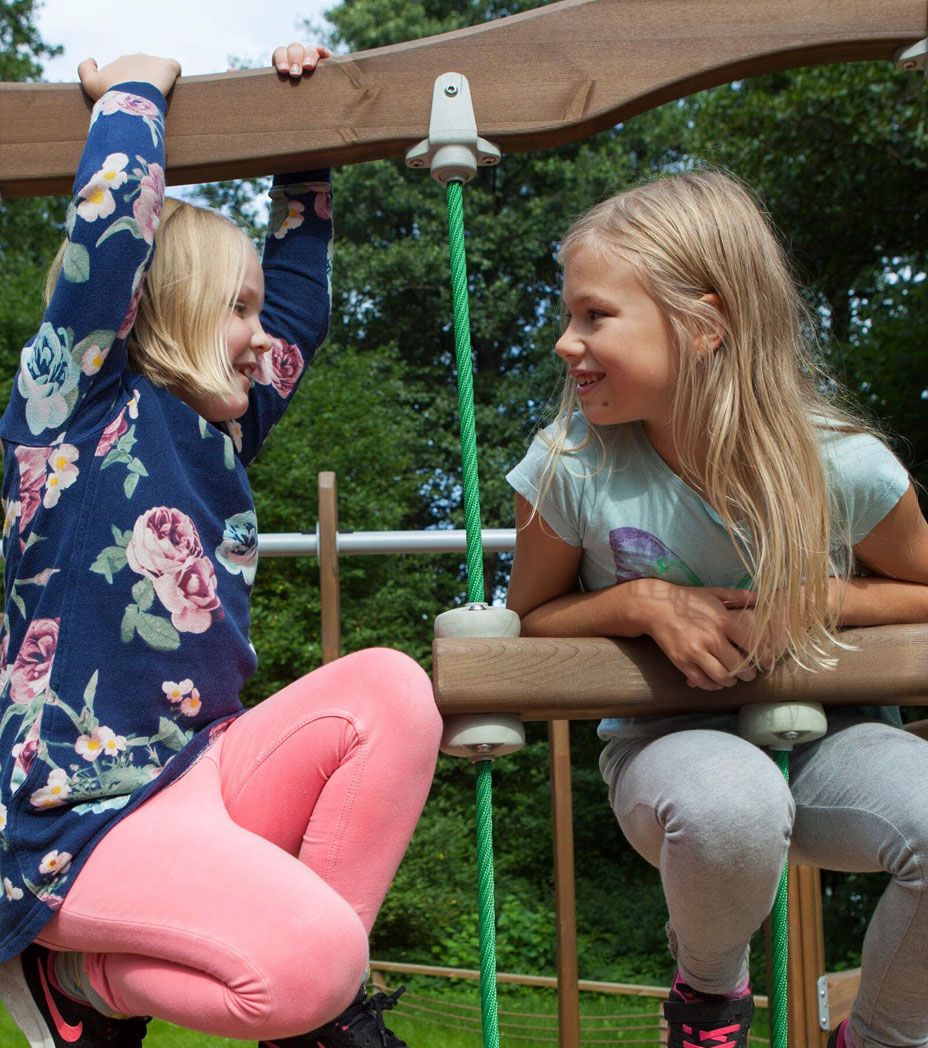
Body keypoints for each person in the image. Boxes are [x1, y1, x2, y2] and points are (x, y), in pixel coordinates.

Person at [0, 45, 441, 1048]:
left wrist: (304, 149)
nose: (258, 335)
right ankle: (73, 972)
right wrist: (134, 93)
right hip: (72, 808)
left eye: (252, 310)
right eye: (233, 308)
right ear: (166, 308)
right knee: (321, 956)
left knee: (393, 694)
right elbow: (108, 240)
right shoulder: (73, 409)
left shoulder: (219, 433)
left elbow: (299, 306)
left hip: (192, 776)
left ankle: (303, 1016)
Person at [505, 170, 928, 1048]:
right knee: (731, 801)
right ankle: (708, 1005)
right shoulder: (570, 466)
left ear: (704, 324)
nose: (563, 342)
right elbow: (529, 621)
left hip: (835, 740)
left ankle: (883, 1036)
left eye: (593, 316)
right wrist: (638, 600)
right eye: (569, 314)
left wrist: (825, 597)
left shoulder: (841, 467)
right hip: (667, 748)